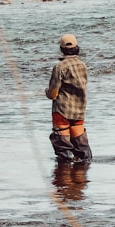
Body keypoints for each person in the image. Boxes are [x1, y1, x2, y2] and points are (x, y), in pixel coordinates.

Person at [45, 33, 92, 163]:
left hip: (62, 111)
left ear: (61, 49)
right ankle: (81, 177)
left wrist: (46, 92)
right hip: (79, 110)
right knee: (82, 150)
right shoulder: (82, 65)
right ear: (77, 48)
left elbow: (53, 94)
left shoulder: (59, 67)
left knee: (64, 151)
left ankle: (64, 177)